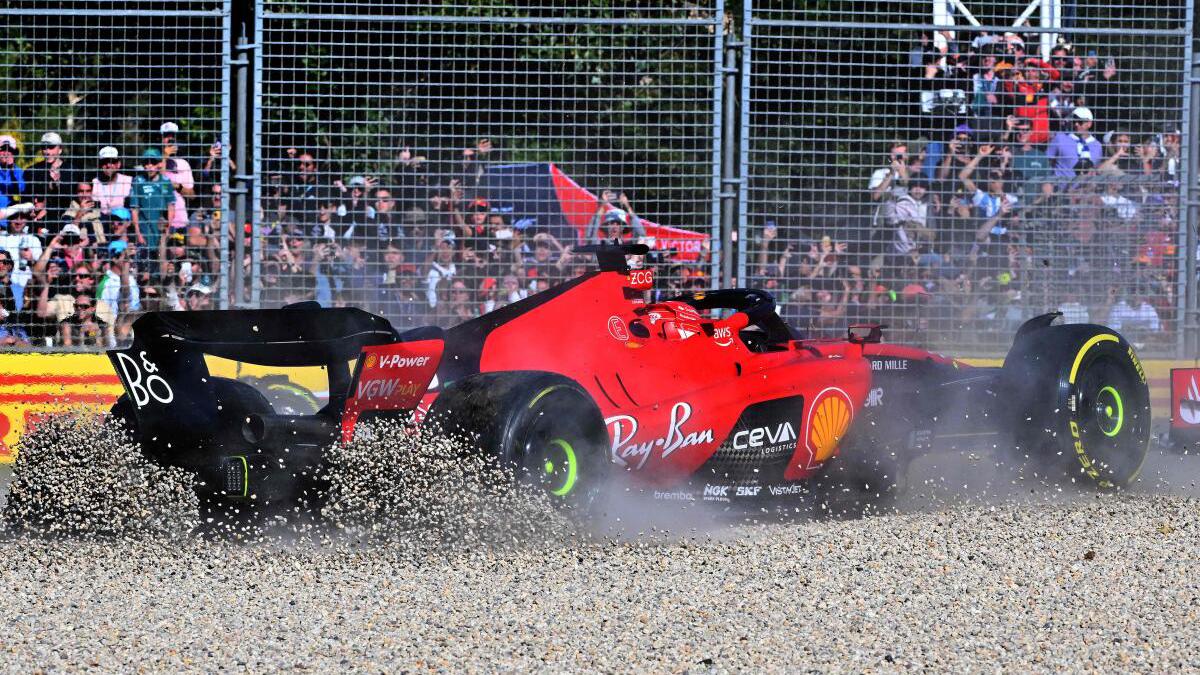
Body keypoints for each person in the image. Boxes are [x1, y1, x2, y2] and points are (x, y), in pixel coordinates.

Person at [129, 148, 176, 256]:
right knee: (146, 260)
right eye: (146, 163)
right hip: (144, 229)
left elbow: (171, 206)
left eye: (153, 162)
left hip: (161, 228)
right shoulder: (138, 181)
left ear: (159, 164)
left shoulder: (165, 181)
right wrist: (138, 233)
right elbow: (134, 209)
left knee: (162, 258)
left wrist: (168, 228)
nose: (149, 166)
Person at [25, 132, 75, 221]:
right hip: (36, 220)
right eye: (44, 147)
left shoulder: (71, 170)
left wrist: (58, 183)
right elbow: (26, 197)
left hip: (63, 218)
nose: (47, 151)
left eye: (51, 147)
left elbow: (70, 198)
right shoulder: (31, 171)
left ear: (60, 149)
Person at [1047, 107, 1103, 180]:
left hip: (1087, 189)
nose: (1076, 124)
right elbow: (1048, 162)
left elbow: (1096, 169)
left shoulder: (1097, 146)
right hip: (1062, 189)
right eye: (1074, 121)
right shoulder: (1060, 138)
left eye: (1080, 121)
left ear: (1089, 123)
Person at [92, 146, 132, 214]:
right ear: (99, 165)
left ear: (118, 164)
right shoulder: (93, 184)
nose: (108, 165)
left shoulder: (129, 182)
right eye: (104, 162)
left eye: (112, 161)